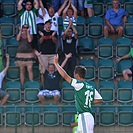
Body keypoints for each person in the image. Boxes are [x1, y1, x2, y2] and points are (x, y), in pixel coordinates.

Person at [54, 54, 103, 133]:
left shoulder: (79, 84)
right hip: (88, 116)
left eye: (74, 75)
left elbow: (64, 76)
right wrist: (88, 101)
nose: (73, 76)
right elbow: (100, 100)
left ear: (77, 75)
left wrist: (56, 64)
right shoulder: (91, 87)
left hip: (84, 116)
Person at [15, 24, 35, 89]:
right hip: (20, 54)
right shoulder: (20, 35)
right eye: (24, 27)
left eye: (26, 27)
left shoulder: (31, 35)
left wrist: (28, 32)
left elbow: (29, 40)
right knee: (21, 69)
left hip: (29, 54)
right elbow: (17, 39)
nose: (25, 29)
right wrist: (20, 31)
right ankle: (22, 85)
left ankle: (31, 84)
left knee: (30, 69)